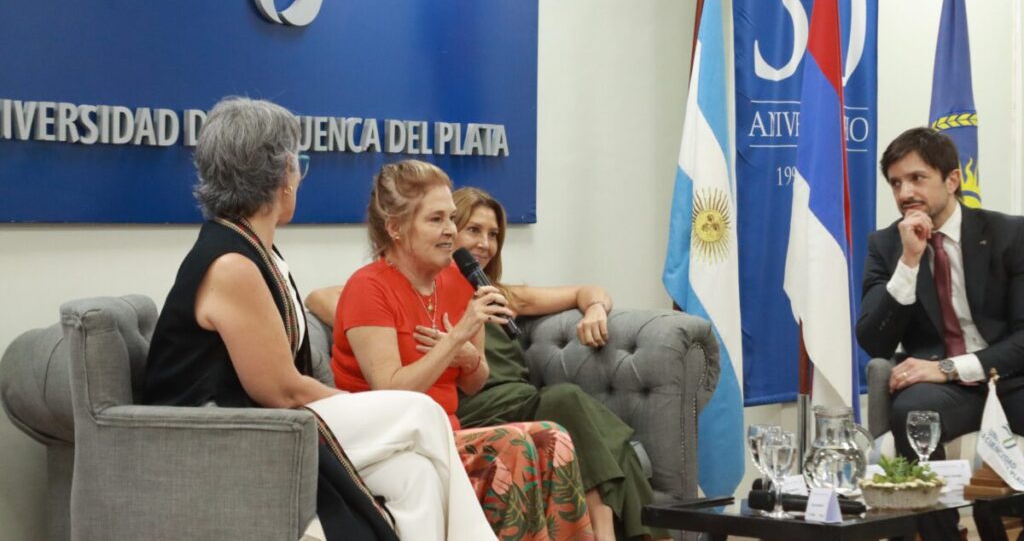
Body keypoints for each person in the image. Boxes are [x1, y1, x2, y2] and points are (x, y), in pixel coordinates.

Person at [142, 98, 495, 541]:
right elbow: (281, 390)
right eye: (298, 165)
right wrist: (356, 402)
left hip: (267, 421)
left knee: (415, 474)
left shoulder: (254, 249)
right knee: (422, 413)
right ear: (279, 177)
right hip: (224, 436)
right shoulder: (231, 264)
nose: (298, 179)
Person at [310, 186, 668, 541]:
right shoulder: (378, 286)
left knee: (568, 431)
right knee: (566, 402)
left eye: (492, 234)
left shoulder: (494, 293)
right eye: (470, 229)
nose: (483, 243)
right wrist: (414, 331)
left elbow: (585, 291)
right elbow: (325, 300)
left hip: (514, 396)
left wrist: (593, 309)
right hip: (474, 411)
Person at [856, 127, 1024, 539]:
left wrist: (949, 367)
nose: (904, 192)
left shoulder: (1010, 234)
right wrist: (909, 264)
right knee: (913, 414)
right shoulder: (886, 246)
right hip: (945, 394)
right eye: (896, 183)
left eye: (917, 178)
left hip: (1009, 376)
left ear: (952, 180)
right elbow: (874, 341)